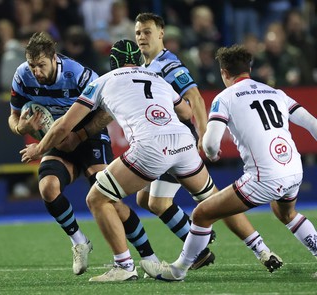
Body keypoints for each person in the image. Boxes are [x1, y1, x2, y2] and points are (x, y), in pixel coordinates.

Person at [20, 39, 213, 282]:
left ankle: (124, 265)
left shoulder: (103, 80)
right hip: (184, 142)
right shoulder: (157, 77)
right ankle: (256, 247)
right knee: (212, 201)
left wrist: (39, 148)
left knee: (98, 198)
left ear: (112, 62)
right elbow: (186, 111)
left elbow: (63, 125)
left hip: (151, 147)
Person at [140, 44, 317, 281]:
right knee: (286, 213)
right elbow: (313, 124)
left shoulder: (224, 97)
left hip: (264, 178)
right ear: (249, 69)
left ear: (224, 72)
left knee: (202, 213)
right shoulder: (276, 93)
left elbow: (211, 142)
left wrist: (212, 153)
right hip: (294, 169)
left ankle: (178, 270)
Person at [132, 12, 279, 270]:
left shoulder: (169, 64)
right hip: (161, 143)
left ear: (161, 33)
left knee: (211, 201)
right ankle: (200, 245)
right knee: (147, 201)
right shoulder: (146, 67)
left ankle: (260, 249)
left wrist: (202, 134)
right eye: (138, 33)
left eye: (147, 31)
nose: (141, 37)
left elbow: (196, 98)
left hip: (177, 144)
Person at [8, 32, 156, 276]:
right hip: (55, 136)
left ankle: (149, 256)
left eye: (41, 65)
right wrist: (20, 128)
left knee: (110, 200)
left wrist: (79, 136)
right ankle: (79, 241)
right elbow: (13, 117)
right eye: (32, 66)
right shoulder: (22, 75)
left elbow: (108, 111)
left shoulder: (79, 74)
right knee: (47, 188)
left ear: (54, 58)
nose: (36, 72)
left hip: (89, 137)